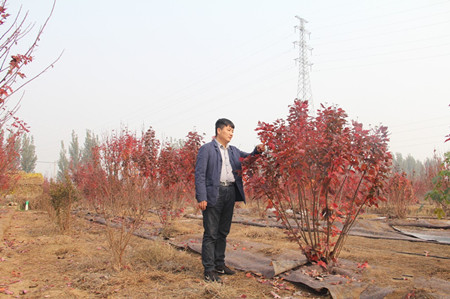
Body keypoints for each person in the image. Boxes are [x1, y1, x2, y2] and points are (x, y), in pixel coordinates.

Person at [195, 118, 264, 282]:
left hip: (230, 192)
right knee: (211, 233)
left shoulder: (233, 150)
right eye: (228, 130)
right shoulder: (207, 149)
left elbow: (247, 160)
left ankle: (220, 264)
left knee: (223, 232)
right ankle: (209, 269)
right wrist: (202, 196)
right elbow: (200, 174)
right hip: (214, 192)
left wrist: (257, 151)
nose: (231, 133)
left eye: (233, 131)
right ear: (219, 131)